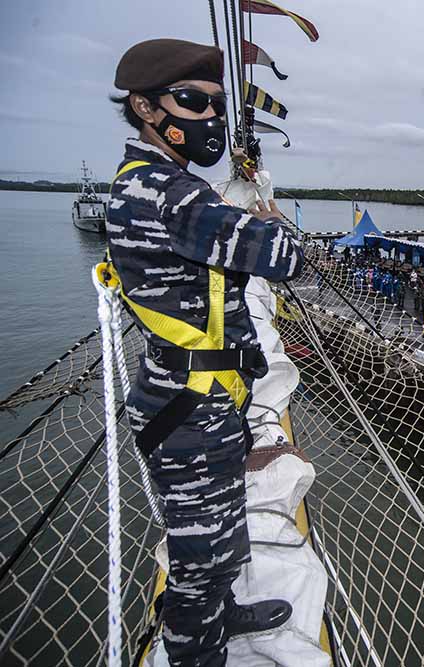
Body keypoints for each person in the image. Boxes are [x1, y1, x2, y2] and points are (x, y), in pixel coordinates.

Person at [107, 38, 300, 665]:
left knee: (220, 530)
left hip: (200, 396)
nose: (211, 117)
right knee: (201, 558)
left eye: (217, 104)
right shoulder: (172, 194)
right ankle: (199, 647)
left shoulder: (152, 184)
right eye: (194, 101)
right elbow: (284, 256)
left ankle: (223, 612)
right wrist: (268, 213)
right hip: (191, 409)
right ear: (144, 107)